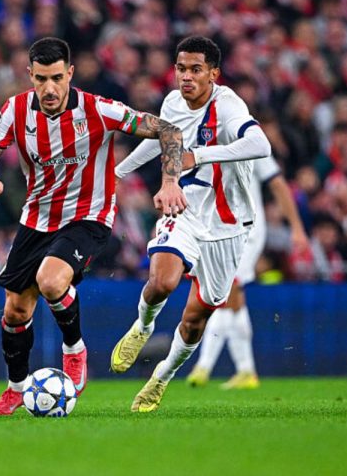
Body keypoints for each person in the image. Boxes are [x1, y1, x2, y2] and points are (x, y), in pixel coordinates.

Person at [0, 37, 187, 416]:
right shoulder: (15, 110)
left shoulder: (98, 109)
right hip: (37, 219)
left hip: (89, 216)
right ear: (30, 75)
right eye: (41, 79)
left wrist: (170, 182)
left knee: (51, 281)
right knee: (15, 312)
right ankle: (15, 390)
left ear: (70, 73)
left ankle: (74, 350)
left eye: (57, 78)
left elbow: (169, 131)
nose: (49, 88)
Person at [110, 36, 271, 412]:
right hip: (184, 207)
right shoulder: (172, 102)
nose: (186, 76)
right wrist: (117, 172)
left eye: (196, 69)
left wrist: (197, 155)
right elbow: (161, 141)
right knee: (162, 281)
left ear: (213, 73)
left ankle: (161, 377)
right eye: (181, 68)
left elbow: (260, 145)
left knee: (197, 317)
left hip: (228, 225)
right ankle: (143, 326)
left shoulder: (228, 106)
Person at [186, 156, 309, 389]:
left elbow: (278, 184)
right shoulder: (207, 141)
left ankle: (203, 366)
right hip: (218, 230)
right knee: (234, 299)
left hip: (246, 231)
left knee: (225, 293)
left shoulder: (251, 141)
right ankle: (246, 370)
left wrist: (297, 228)